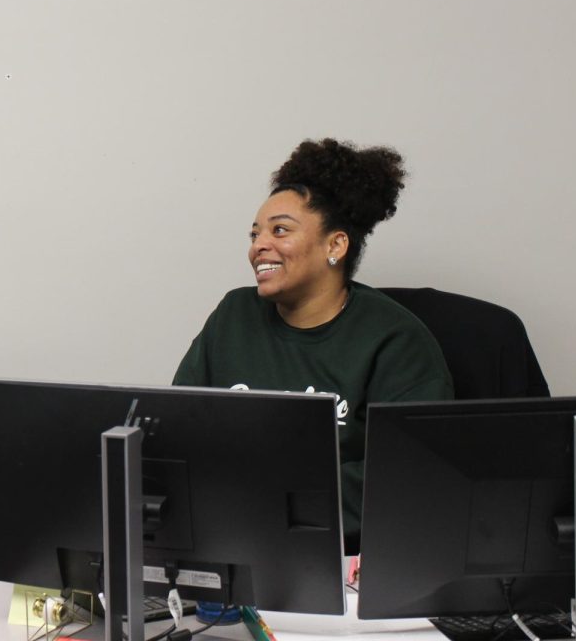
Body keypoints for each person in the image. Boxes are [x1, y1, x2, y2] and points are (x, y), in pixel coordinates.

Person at [172, 138, 452, 551]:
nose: (258, 246)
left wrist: (271, 497)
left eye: (279, 230)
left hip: (348, 558)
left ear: (335, 245)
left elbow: (412, 475)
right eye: (255, 233)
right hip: (232, 544)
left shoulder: (396, 339)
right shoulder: (234, 315)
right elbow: (177, 429)